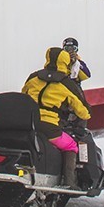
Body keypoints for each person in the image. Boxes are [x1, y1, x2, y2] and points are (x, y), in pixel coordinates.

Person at [23, 47, 91, 188]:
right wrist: (86, 115)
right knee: (71, 145)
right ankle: (69, 182)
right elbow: (83, 111)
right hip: (50, 128)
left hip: (29, 124)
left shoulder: (33, 78)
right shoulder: (66, 83)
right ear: (65, 62)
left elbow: (23, 95)